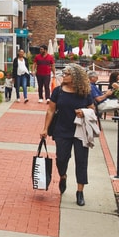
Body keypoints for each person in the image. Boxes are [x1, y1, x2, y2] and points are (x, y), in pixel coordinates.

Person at [42, 64, 95, 206]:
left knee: (81, 161)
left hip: (80, 131)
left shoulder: (85, 92)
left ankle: (80, 191)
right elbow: (51, 110)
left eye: (67, 74)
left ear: (76, 77)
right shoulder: (58, 91)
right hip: (62, 130)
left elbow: (92, 110)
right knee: (61, 158)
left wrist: (84, 112)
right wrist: (45, 129)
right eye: (64, 73)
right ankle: (63, 176)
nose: (63, 76)